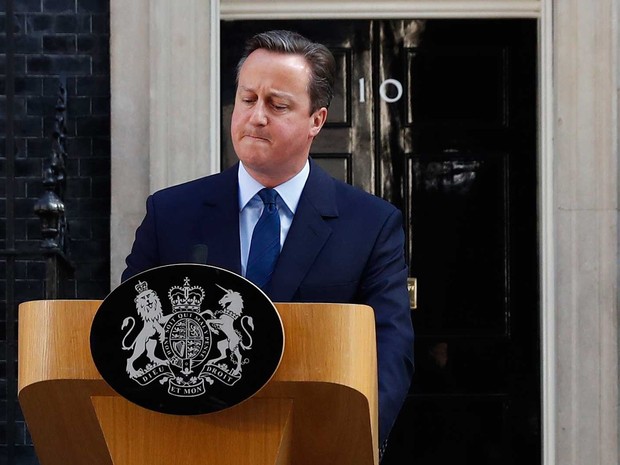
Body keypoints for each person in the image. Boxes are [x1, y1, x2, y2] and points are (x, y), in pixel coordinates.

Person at [122, 29, 414, 456]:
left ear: (317, 120)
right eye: (247, 99)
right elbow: (127, 325)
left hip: (316, 447)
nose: (257, 116)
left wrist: (355, 441)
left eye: (277, 105)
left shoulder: (370, 224)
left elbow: (390, 352)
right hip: (191, 444)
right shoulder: (171, 213)